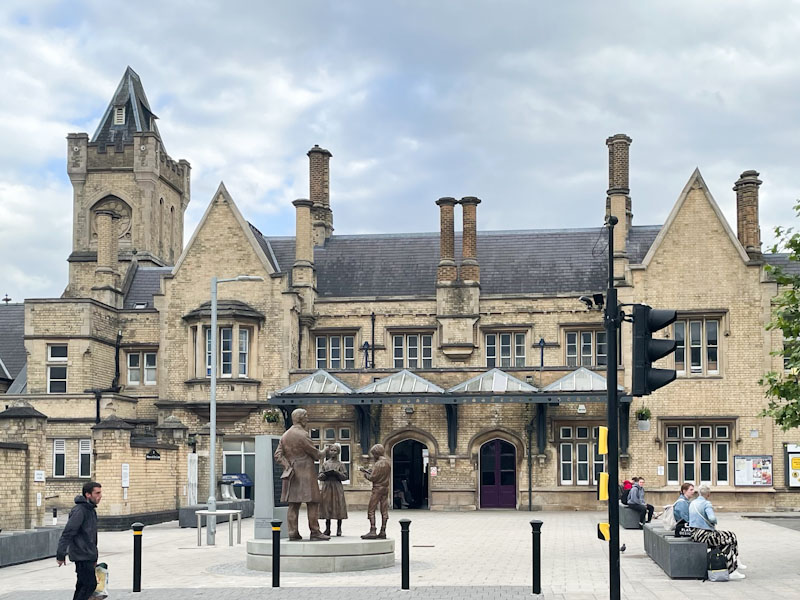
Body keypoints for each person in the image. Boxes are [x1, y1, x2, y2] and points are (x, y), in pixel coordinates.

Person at [274, 407, 330, 541]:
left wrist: (287, 465)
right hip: (305, 472)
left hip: (292, 474)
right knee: (313, 502)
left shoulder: (285, 435)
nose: (308, 419)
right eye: (306, 417)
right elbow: (316, 455)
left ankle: (293, 532)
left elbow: (277, 455)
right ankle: (315, 532)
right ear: (300, 418)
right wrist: (325, 451)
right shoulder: (303, 435)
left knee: (293, 504)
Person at [56, 481, 102, 600]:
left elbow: (92, 537)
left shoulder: (91, 510)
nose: (100, 496)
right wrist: (61, 554)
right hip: (81, 554)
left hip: (88, 555)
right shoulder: (80, 510)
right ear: (88, 494)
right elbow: (68, 532)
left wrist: (94, 557)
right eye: (97, 493)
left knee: (82, 586)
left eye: (100, 493)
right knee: (89, 585)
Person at [689, 485, 746, 579]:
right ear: (708, 494)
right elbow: (711, 518)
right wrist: (714, 521)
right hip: (705, 535)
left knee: (726, 543)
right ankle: (734, 566)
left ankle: (734, 565)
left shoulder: (693, 503)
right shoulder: (706, 503)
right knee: (731, 536)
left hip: (695, 534)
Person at [359, 443, 391, 539]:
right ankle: (383, 530)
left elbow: (373, 478)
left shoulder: (378, 464)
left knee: (371, 509)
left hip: (377, 488)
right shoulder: (388, 462)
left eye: (374, 454)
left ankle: (372, 530)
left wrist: (366, 475)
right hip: (385, 488)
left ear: (376, 453)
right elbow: (382, 475)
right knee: (384, 510)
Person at [318, 443, 348, 537]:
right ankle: (327, 528)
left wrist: (337, 474)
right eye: (331, 450)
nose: (333, 452)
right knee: (327, 506)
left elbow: (345, 477)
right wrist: (323, 475)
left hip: (337, 486)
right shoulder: (325, 463)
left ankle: (339, 529)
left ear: (338, 452)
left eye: (335, 450)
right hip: (327, 486)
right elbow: (320, 476)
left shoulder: (341, 464)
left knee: (338, 506)